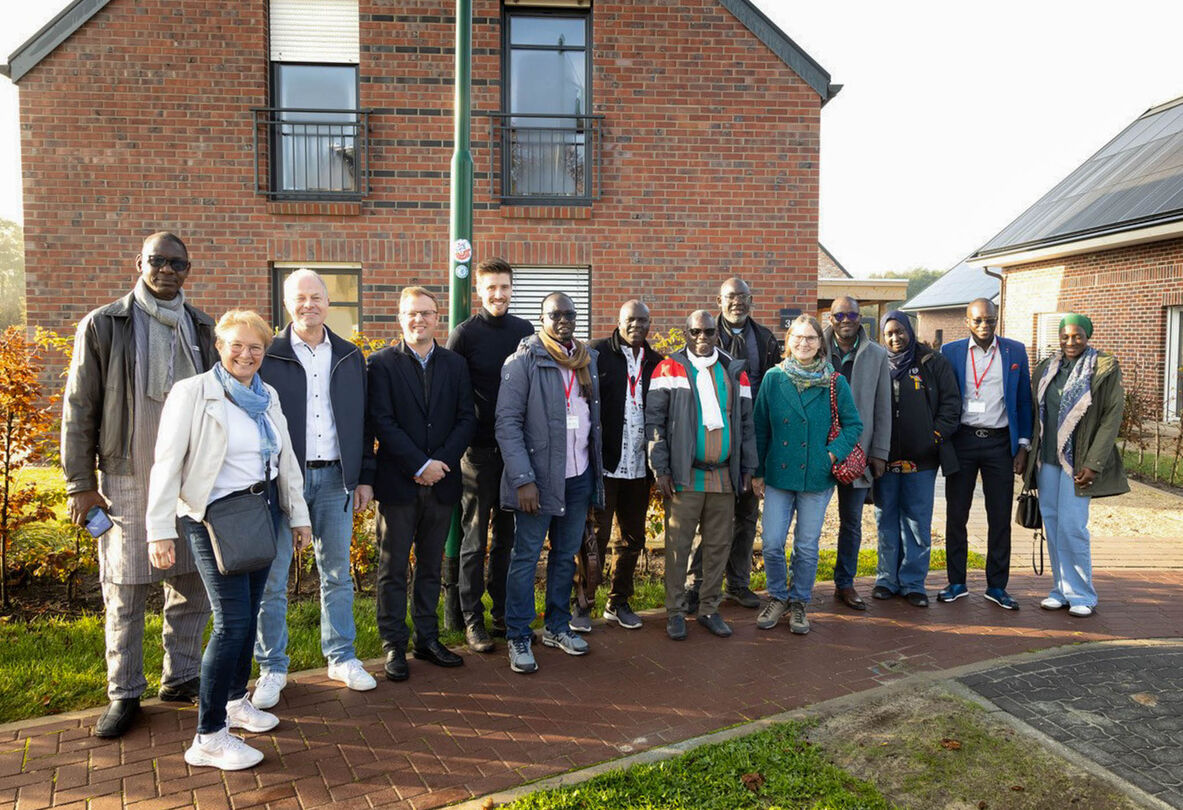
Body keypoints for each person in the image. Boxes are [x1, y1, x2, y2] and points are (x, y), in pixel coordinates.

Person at [61, 232, 215, 739]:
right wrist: (81, 484)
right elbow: (79, 409)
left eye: (177, 263)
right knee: (125, 591)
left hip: (191, 482)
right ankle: (124, 692)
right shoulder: (105, 325)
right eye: (157, 261)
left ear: (188, 269)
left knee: (192, 585)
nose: (167, 270)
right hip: (127, 475)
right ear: (139, 263)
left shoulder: (201, 326)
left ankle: (182, 676)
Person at [146, 310, 311, 771]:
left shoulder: (267, 394)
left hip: (260, 514)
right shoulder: (194, 393)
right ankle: (209, 736)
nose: (246, 354)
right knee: (232, 624)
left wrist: (298, 516)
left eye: (256, 346)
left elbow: (286, 459)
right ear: (219, 347)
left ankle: (237, 702)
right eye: (236, 345)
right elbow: (166, 462)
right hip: (214, 518)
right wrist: (159, 529)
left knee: (250, 612)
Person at [251, 269, 377, 710]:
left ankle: (341, 656)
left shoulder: (349, 356)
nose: (309, 305)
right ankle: (272, 667)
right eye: (300, 298)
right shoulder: (269, 355)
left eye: (317, 297)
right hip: (284, 479)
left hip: (336, 477)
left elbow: (364, 420)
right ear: (287, 304)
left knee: (337, 573)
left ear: (328, 303)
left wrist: (364, 475)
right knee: (273, 577)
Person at [367, 287, 477, 681]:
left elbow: (467, 418)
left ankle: (427, 638)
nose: (419, 320)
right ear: (400, 317)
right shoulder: (380, 364)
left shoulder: (454, 364)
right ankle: (394, 643)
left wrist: (440, 463)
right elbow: (382, 421)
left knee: (431, 566)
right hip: (398, 483)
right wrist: (418, 464)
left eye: (427, 313)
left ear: (437, 318)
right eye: (412, 313)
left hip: (443, 482)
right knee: (393, 567)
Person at [496, 292, 604, 674]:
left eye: (569, 314)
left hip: (578, 477)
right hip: (538, 482)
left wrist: (593, 476)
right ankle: (519, 635)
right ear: (541, 318)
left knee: (564, 555)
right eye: (554, 314)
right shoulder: (523, 360)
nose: (563, 320)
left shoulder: (585, 359)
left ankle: (557, 627)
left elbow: (591, 421)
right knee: (526, 558)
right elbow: (506, 424)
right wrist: (524, 479)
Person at [647, 310, 756, 641]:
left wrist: (748, 468)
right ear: (686, 333)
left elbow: (747, 425)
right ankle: (676, 612)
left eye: (708, 331)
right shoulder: (670, 367)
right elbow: (655, 423)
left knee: (718, 546)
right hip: (684, 475)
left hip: (723, 476)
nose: (702, 337)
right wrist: (660, 468)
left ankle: (709, 608)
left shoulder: (734, 371)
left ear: (716, 333)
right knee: (678, 548)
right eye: (696, 331)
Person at [752, 314, 862, 635]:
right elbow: (760, 428)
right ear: (788, 342)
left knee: (807, 545)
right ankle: (777, 596)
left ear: (820, 344)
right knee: (772, 542)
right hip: (778, 474)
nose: (804, 343)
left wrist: (830, 455)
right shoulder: (774, 378)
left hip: (816, 475)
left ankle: (799, 601)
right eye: (798, 338)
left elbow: (854, 424)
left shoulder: (834, 381)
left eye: (811, 338)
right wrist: (757, 472)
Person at [447, 257, 535, 652]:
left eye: (505, 287)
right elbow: (453, 395)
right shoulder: (464, 335)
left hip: (515, 451)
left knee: (507, 538)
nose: (498, 295)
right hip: (478, 453)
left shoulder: (525, 332)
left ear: (512, 289)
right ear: (479, 291)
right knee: (474, 539)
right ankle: (472, 620)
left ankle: (501, 614)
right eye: (491, 288)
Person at [1023, 314, 1127, 617]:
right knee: (1053, 526)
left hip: (1078, 462)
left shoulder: (1103, 368)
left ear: (1088, 336)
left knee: (1073, 527)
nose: (1071, 342)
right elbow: (1036, 414)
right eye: (1065, 336)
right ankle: (1060, 589)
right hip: (1047, 461)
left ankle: (1082, 594)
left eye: (1078, 336)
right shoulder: (1046, 368)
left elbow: (1111, 419)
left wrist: (1094, 463)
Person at [939, 298, 1033, 610]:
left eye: (990, 320)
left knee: (999, 517)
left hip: (998, 443)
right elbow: (942, 398)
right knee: (956, 516)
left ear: (996, 319)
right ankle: (956, 582)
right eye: (978, 320)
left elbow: (1022, 401)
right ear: (967, 321)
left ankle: (997, 586)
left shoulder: (1015, 351)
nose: (984, 326)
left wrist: (1022, 445)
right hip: (963, 441)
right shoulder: (950, 352)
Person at [697, 278, 780, 611]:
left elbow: (774, 388)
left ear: (751, 300)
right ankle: (699, 585)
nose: (737, 303)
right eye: (731, 297)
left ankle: (739, 583)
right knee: (712, 517)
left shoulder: (765, 339)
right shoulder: (703, 334)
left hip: (752, 439)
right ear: (719, 300)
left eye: (743, 297)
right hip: (716, 439)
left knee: (746, 516)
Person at [579, 300, 662, 632]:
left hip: (640, 467)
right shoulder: (596, 354)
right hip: (605, 466)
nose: (636, 326)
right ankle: (583, 604)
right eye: (630, 320)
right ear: (619, 320)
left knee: (632, 538)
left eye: (642, 320)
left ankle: (619, 602)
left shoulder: (657, 363)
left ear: (649, 323)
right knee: (593, 539)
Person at [871, 311, 961, 607]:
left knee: (917, 522)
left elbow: (951, 404)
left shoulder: (932, 362)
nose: (895, 338)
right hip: (884, 460)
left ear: (909, 330)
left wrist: (933, 437)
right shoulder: (876, 363)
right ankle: (886, 579)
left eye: (900, 331)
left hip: (921, 461)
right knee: (885, 519)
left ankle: (912, 583)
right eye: (889, 334)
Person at [823, 296, 890, 611]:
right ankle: (798, 584)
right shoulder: (813, 346)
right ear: (831, 318)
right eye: (840, 314)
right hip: (819, 453)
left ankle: (844, 583)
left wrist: (880, 451)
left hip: (857, 452)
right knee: (809, 520)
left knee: (851, 521)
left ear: (860, 317)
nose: (846, 319)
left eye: (852, 314)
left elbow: (883, 407)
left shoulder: (877, 355)